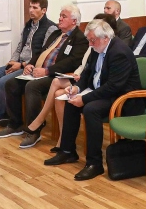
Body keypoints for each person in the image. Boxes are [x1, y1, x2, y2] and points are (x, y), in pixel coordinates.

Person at [44, 19, 145, 181]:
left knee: (91, 109)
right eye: (89, 40)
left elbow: (113, 87)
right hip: (103, 92)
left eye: (93, 40)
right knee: (71, 101)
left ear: (105, 37)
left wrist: (84, 99)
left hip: (123, 99)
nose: (90, 44)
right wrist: (76, 88)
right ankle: (67, 151)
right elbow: (87, 73)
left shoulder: (119, 52)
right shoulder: (97, 47)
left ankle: (94, 163)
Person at [17, 13, 112, 150]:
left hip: (81, 80)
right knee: (57, 93)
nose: (60, 18)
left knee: (54, 83)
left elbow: (79, 64)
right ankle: (63, 140)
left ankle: (42, 121)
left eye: (64, 16)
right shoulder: (89, 43)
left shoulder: (95, 44)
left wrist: (76, 77)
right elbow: (85, 66)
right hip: (78, 77)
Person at [0, 5, 89, 139]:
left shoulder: (80, 39)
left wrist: (47, 71)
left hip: (55, 75)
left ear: (74, 21)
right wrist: (30, 64)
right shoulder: (56, 34)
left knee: (32, 87)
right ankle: (15, 124)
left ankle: (34, 130)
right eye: (60, 15)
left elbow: (72, 62)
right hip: (38, 71)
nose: (60, 18)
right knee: (11, 83)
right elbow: (40, 52)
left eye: (64, 16)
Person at [0, 0, 56, 129]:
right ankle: (8, 112)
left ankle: (0, 114)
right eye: (30, 7)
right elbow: (20, 45)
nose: (31, 10)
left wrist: (22, 65)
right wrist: (13, 60)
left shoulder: (50, 28)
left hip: (30, 67)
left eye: (35, 8)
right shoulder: (28, 25)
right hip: (19, 63)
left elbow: (44, 54)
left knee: (3, 82)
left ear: (43, 10)